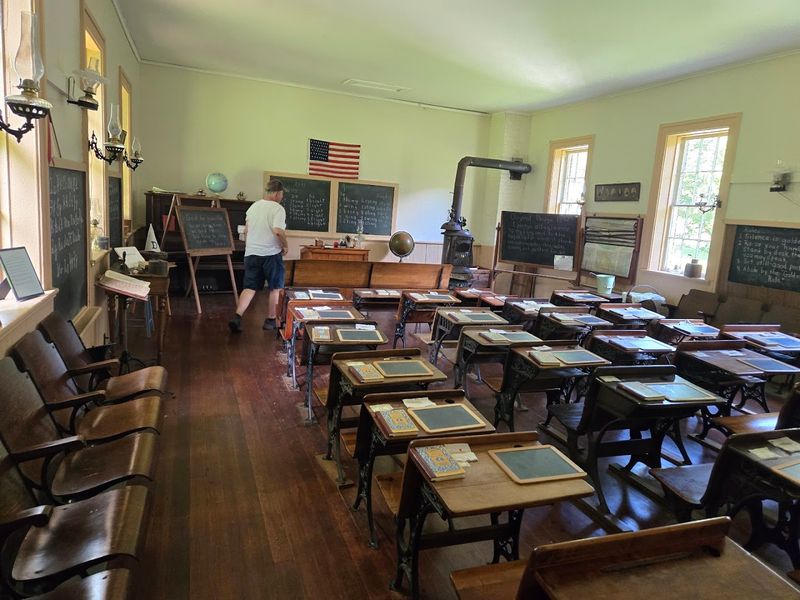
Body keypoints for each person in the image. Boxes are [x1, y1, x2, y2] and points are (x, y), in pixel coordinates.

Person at [228, 179, 288, 333]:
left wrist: (251, 246)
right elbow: (278, 231)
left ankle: (237, 317)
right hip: (271, 254)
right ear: (277, 193)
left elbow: (246, 230)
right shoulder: (278, 209)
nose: (282, 197)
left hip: (252, 253)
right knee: (275, 288)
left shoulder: (253, 207)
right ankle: (270, 320)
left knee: (249, 287)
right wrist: (285, 245)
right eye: (281, 194)